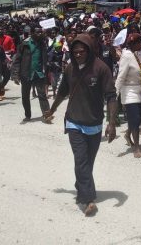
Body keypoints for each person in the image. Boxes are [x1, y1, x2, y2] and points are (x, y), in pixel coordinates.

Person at [43, 34, 118, 217]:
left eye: (81, 51)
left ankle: (81, 186)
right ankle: (88, 199)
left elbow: (111, 97)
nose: (77, 55)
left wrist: (112, 123)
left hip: (94, 124)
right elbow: (61, 93)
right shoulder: (70, 69)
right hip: (74, 122)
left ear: (90, 50)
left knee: (87, 163)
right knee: (81, 160)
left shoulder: (102, 69)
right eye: (75, 52)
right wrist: (51, 110)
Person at [115, 33, 141, 158]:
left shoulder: (140, 55)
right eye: (139, 42)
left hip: (140, 90)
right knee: (134, 119)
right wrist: (115, 94)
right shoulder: (126, 56)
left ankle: (128, 134)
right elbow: (121, 76)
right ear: (132, 43)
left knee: (139, 118)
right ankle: (137, 147)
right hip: (129, 91)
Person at [11, 26, 51, 122]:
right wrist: (15, 75)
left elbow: (45, 59)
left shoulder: (42, 43)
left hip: (39, 74)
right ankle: (28, 115)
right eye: (37, 32)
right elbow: (17, 60)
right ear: (31, 33)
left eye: (40, 32)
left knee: (42, 95)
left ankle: (47, 114)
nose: (39, 34)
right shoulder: (24, 44)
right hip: (26, 74)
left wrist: (47, 71)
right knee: (25, 96)